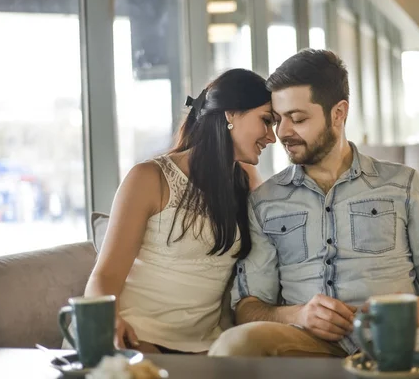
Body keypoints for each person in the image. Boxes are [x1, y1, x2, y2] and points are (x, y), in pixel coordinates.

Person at [208, 50, 419, 358]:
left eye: (298, 118)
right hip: (305, 343)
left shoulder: (405, 184)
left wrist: (417, 310)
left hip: (398, 340)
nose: (283, 133)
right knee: (233, 347)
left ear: (339, 113)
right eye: (277, 120)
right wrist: (298, 315)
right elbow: (248, 307)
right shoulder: (263, 202)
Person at [83, 68, 277, 354]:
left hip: (205, 348)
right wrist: (109, 324)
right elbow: (105, 276)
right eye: (266, 120)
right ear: (230, 114)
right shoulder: (149, 178)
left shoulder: (247, 181)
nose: (272, 137)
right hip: (135, 339)